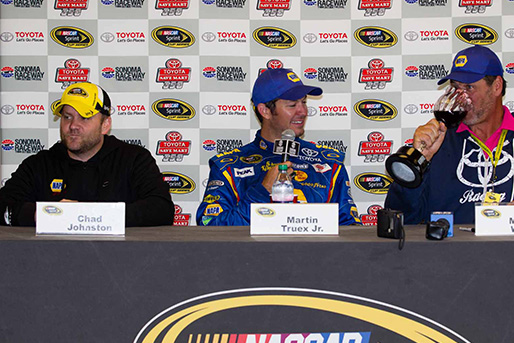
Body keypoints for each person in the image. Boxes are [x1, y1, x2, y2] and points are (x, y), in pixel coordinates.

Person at [385, 45, 514, 224]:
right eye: (455, 88)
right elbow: (399, 218)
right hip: (448, 252)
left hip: (513, 251)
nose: (461, 98)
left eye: (469, 87)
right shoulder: (438, 142)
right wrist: (420, 161)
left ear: (497, 86)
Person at [196, 68, 360, 226]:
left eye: (303, 102)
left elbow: (350, 229)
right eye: (292, 105)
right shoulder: (229, 166)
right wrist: (261, 191)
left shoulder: (329, 163)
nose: (303, 111)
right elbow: (209, 226)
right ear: (264, 110)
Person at [0, 82, 174, 227]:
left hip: (119, 262)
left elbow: (161, 209)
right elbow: (4, 206)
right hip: (51, 262)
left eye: (85, 117)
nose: (73, 125)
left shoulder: (133, 159)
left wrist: (88, 214)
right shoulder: (39, 164)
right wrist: (47, 214)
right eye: (67, 117)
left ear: (105, 125)